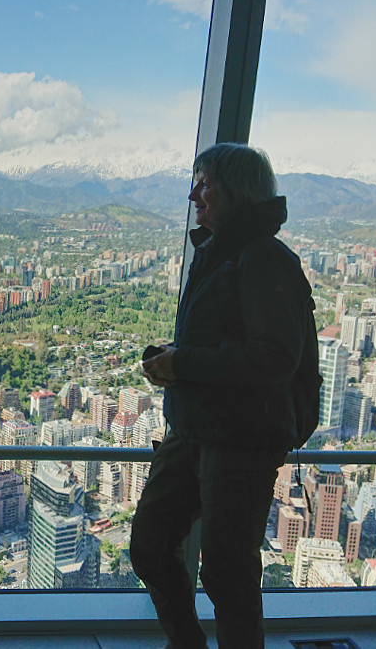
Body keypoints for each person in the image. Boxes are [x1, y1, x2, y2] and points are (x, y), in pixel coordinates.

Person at [129, 143, 314, 648]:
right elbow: (225, 342)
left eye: (205, 183)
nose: (194, 196)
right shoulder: (218, 252)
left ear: (238, 191)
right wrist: (175, 359)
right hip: (192, 429)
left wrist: (183, 363)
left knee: (228, 574)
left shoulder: (265, 259)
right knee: (149, 546)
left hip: (241, 441)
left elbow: (274, 356)